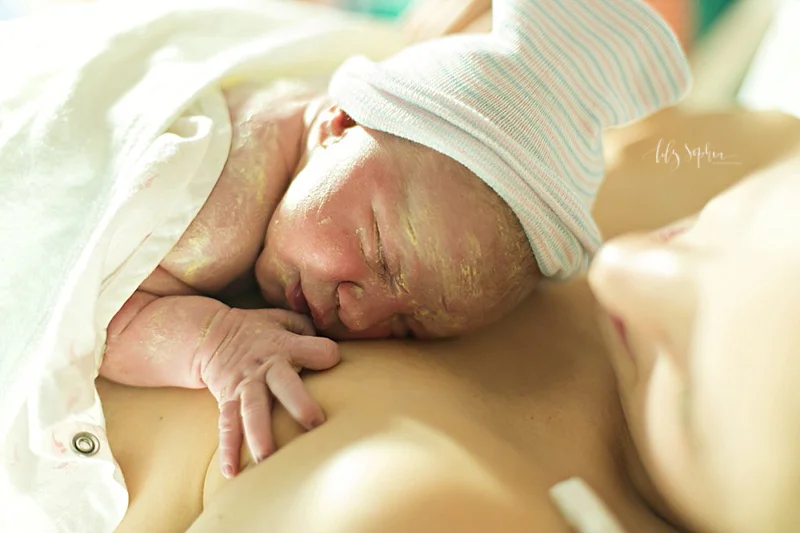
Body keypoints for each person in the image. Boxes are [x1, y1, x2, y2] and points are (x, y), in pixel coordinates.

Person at [97, 107, 800, 533]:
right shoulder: (741, 154)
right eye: (700, 229)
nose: (614, 265)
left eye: (686, 381)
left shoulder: (428, 507)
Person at [98, 0, 690, 479]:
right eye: (379, 251)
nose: (359, 314)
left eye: (406, 325)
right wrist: (215, 342)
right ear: (340, 122)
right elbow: (91, 312)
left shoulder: (327, 156)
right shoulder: (208, 218)